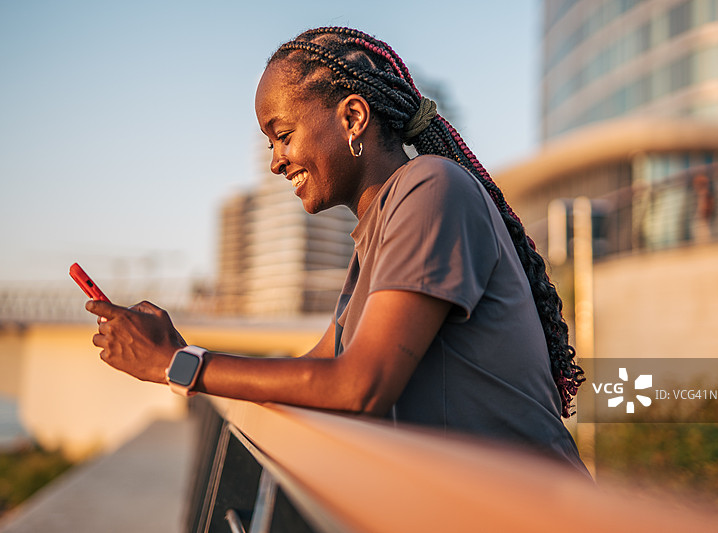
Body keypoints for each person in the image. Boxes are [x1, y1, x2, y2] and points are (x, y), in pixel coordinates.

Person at [86, 27, 588, 475]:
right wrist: (181, 348)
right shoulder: (377, 232)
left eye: (282, 136)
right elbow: (319, 371)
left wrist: (178, 363)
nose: (276, 162)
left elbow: (358, 386)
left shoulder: (432, 188)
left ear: (352, 117)